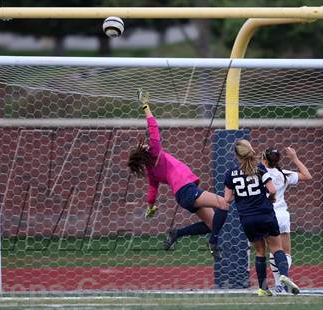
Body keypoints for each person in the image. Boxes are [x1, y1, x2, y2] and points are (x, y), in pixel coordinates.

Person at [127, 90, 229, 253]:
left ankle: (177, 233)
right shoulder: (155, 151)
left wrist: (150, 207)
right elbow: (153, 127)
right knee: (224, 204)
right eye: (143, 146)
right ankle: (213, 242)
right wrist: (145, 106)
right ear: (144, 152)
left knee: (212, 224)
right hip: (187, 191)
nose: (145, 144)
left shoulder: (151, 171)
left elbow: (152, 191)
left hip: (182, 196)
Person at [224, 139, 300, 296]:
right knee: (277, 248)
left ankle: (263, 289)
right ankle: (284, 275)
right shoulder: (259, 168)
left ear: (236, 155)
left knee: (259, 251)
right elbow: (272, 190)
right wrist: (271, 199)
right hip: (265, 214)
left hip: (247, 218)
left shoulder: (230, 173)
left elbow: (227, 199)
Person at [261, 147, 312, 293]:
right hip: (282, 215)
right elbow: (307, 176)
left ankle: (279, 283)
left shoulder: (260, 174)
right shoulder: (284, 174)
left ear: (264, 160)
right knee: (286, 253)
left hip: (267, 215)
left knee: (274, 251)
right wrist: (294, 158)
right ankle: (283, 278)